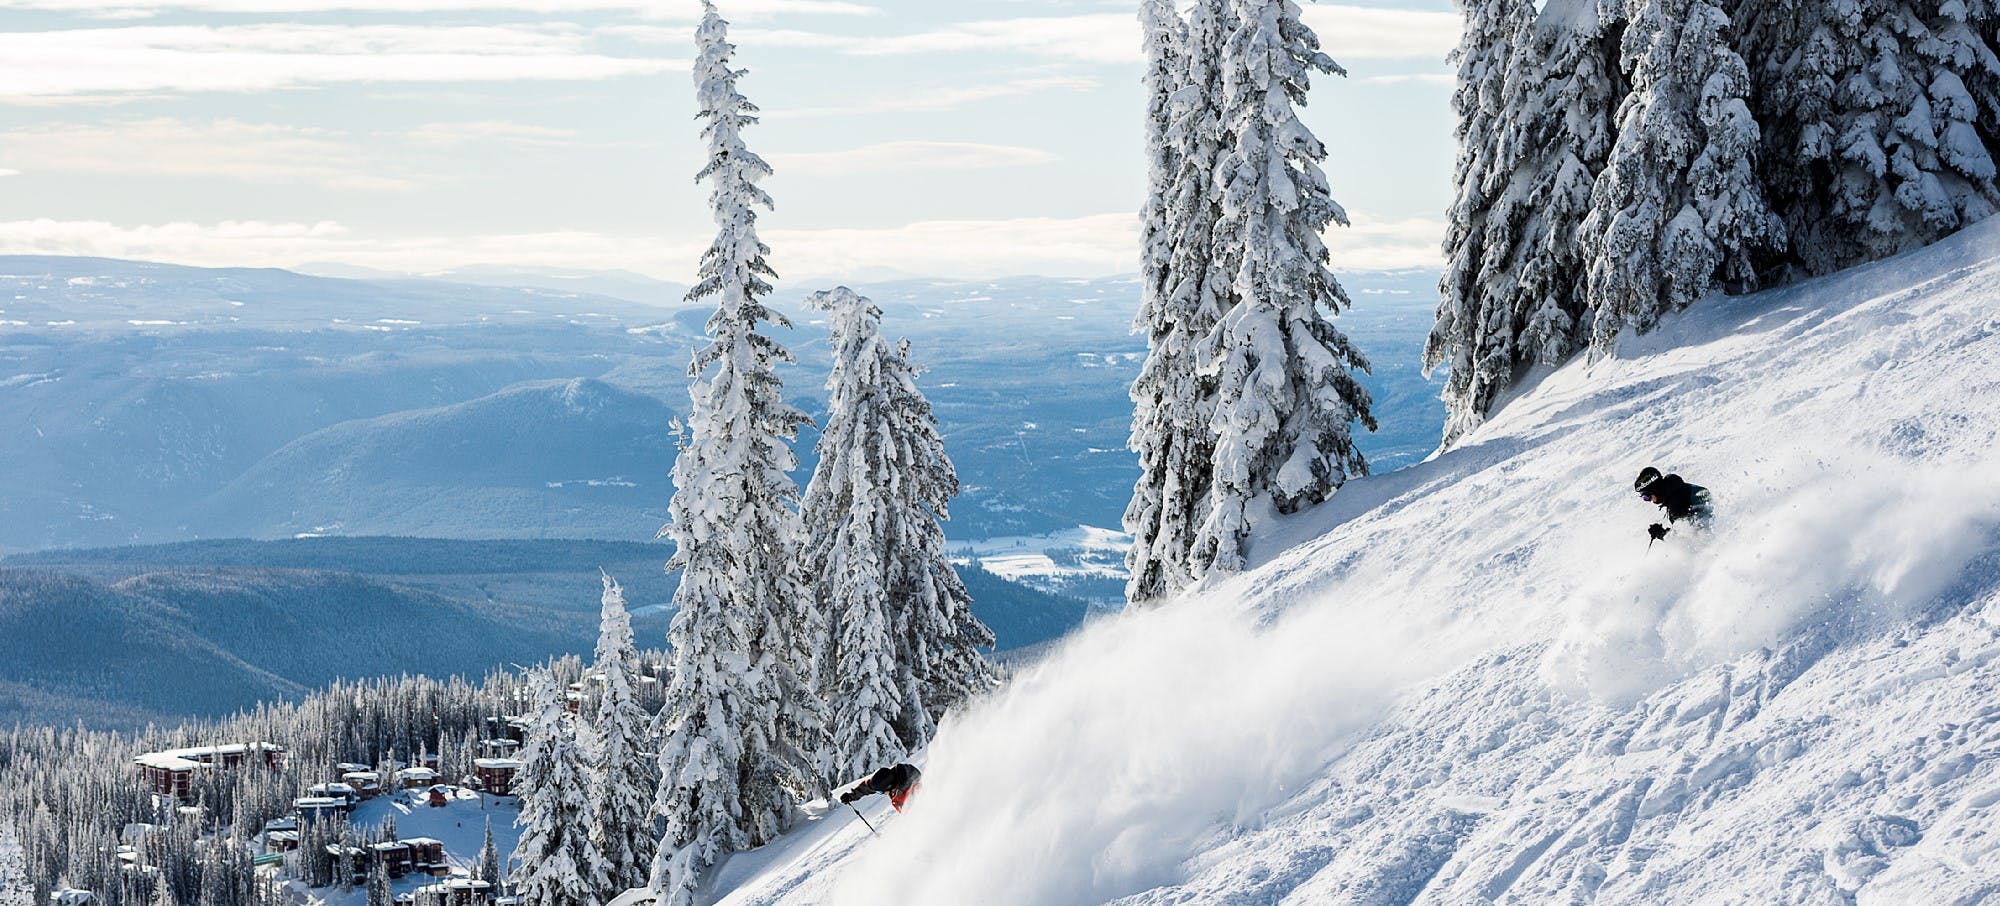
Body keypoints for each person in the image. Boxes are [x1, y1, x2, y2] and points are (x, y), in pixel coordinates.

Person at [1635, 466, 1712, 542]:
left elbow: (1690, 540)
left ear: (1655, 490)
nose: (1649, 500)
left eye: (1646, 497)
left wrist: (1662, 534)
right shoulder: (1677, 491)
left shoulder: (1677, 501)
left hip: (1710, 539)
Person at [839, 763, 923, 812]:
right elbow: (866, 788)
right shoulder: (886, 779)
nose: (882, 794)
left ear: (890, 786)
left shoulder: (910, 787)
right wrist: (851, 796)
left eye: (881, 792)